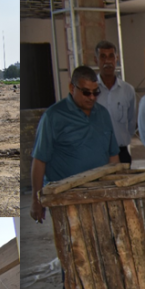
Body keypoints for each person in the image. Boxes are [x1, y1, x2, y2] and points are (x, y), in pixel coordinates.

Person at [30, 65, 119, 224]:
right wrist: (36, 200)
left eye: (95, 92)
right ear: (72, 88)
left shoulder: (103, 114)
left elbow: (113, 156)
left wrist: (115, 189)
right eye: (86, 92)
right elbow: (39, 161)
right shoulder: (53, 117)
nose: (92, 97)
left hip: (99, 195)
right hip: (65, 198)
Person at [95, 41, 137, 166]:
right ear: (96, 59)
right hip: (97, 154)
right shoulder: (91, 91)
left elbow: (131, 122)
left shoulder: (127, 90)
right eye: (103, 56)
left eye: (111, 56)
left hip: (121, 152)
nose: (107, 61)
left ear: (116, 59)